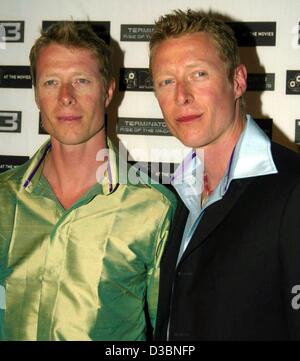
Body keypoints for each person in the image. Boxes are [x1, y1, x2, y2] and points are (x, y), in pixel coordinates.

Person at [0, 22, 176, 341]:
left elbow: (168, 334)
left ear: (108, 91)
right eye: (51, 82)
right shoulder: (2, 198)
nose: (66, 97)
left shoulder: (154, 208)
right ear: (36, 94)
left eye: (81, 81)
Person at [149, 9, 300, 340]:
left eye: (198, 74)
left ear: (238, 81)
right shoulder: (173, 195)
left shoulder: (293, 188)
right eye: (166, 81)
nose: (181, 96)